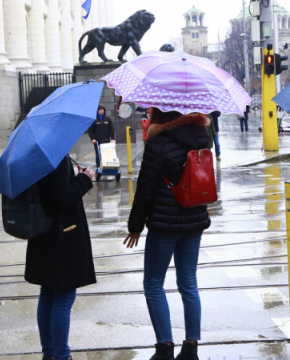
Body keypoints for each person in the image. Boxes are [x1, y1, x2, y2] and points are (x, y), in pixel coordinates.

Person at [124, 109, 211, 360]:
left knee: (153, 284)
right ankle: (191, 347)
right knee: (189, 283)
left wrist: (135, 226)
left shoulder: (157, 144)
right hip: (194, 219)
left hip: (164, 224)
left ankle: (164, 347)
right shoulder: (201, 137)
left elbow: (145, 189)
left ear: (160, 115)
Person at [26, 155, 97, 360]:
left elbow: (50, 190)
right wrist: (84, 179)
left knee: (48, 294)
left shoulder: (39, 157)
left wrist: (75, 175)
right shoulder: (55, 157)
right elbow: (61, 196)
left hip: (44, 233)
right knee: (64, 298)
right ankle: (61, 355)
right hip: (61, 235)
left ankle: (49, 353)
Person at [87, 105, 115, 170]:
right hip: (97, 141)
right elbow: (90, 131)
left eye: (102, 109)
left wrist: (113, 138)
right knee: (98, 155)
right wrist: (93, 138)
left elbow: (111, 129)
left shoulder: (108, 119)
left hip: (106, 140)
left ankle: (107, 167)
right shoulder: (94, 120)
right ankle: (99, 167)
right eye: (100, 109)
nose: (101, 110)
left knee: (107, 154)